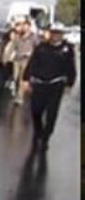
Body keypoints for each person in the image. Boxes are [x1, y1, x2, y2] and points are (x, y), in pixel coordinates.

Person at [22, 23, 77, 151]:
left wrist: (70, 83)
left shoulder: (67, 49)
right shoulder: (41, 47)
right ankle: (38, 131)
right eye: (53, 32)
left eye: (58, 33)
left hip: (56, 85)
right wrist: (26, 79)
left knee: (51, 114)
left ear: (62, 34)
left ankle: (45, 138)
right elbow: (32, 63)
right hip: (40, 83)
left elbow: (71, 68)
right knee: (36, 111)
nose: (55, 35)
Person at [5, 18, 40, 105]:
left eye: (26, 26)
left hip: (27, 61)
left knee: (22, 79)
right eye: (23, 26)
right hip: (17, 60)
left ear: (29, 27)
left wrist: (33, 55)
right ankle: (17, 93)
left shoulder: (33, 37)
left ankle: (20, 97)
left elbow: (38, 48)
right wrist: (7, 57)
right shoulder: (18, 37)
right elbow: (12, 47)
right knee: (16, 78)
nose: (24, 27)